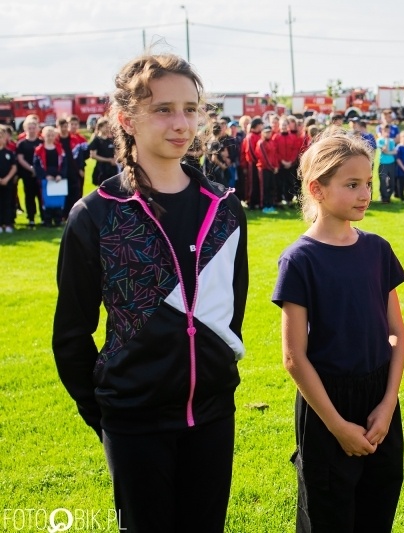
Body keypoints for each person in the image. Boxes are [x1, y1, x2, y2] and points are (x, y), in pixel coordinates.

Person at [52, 52, 248, 533]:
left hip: (213, 415)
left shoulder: (225, 209)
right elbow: (71, 335)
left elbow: (229, 312)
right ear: (126, 119)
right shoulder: (95, 215)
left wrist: (216, 375)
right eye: (163, 109)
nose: (181, 123)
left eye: (190, 108)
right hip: (133, 423)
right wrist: (107, 413)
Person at [272, 130, 404, 532]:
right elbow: (294, 357)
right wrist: (336, 425)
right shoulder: (300, 260)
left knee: (377, 510)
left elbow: (396, 334)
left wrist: (388, 404)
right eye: (351, 185)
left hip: (379, 401)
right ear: (317, 189)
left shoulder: (377, 249)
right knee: (328, 515)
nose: (365, 194)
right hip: (326, 405)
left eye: (368, 182)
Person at [33, 126, 68, 226]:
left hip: (58, 179)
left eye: (52, 135)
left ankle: (58, 220)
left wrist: (60, 175)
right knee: (46, 200)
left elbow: (64, 164)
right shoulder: (39, 150)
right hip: (46, 179)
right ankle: (47, 220)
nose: (50, 137)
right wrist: (45, 176)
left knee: (58, 199)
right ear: (43, 136)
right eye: (48, 135)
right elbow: (36, 165)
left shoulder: (60, 149)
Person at [15, 116, 43, 227]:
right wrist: (31, 169)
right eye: (29, 128)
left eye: (33, 128)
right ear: (25, 129)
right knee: (29, 196)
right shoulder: (21, 144)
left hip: (40, 174)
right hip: (27, 174)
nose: (31, 130)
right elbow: (20, 159)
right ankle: (31, 218)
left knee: (41, 196)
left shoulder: (41, 142)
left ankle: (44, 217)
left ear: (37, 128)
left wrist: (38, 170)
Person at [88, 118, 118, 186]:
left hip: (112, 169)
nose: (107, 129)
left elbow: (116, 152)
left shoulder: (111, 140)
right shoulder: (96, 140)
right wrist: (108, 160)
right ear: (100, 127)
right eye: (105, 127)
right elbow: (93, 155)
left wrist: (115, 159)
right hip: (101, 169)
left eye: (108, 127)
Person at [0, 127, 17, 232]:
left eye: (1, 137)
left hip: (7, 183)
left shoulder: (9, 152)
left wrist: (7, 178)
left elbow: (14, 167)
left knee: (7, 203)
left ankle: (7, 223)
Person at [377, 127, 397, 203]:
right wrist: (386, 140)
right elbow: (385, 149)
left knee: (392, 181)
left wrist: (387, 152)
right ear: (382, 131)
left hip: (391, 163)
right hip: (383, 163)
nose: (387, 132)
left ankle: (388, 196)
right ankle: (384, 197)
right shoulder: (380, 140)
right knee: (383, 180)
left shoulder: (392, 140)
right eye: (385, 131)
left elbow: (395, 152)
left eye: (388, 131)